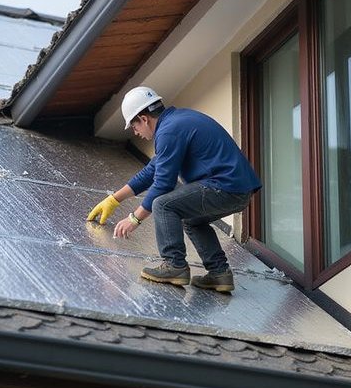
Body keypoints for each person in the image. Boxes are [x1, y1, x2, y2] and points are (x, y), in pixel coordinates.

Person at [87, 86, 261, 293]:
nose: (135, 133)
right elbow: (152, 171)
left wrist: (134, 218)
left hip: (225, 187)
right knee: (192, 220)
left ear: (144, 119)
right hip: (235, 189)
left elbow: (163, 184)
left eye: (134, 126)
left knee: (163, 204)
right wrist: (114, 200)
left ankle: (174, 265)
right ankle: (219, 274)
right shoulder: (176, 122)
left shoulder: (169, 130)